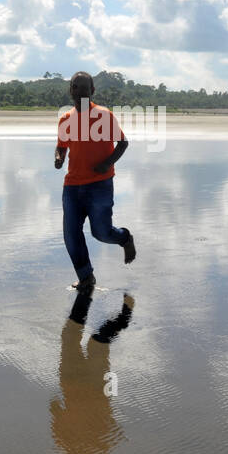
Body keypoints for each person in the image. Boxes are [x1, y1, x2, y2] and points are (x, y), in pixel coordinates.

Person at [54, 72, 136, 293]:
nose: (80, 91)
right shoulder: (65, 119)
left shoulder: (104, 116)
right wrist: (59, 157)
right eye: (76, 87)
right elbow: (62, 145)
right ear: (70, 90)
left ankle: (125, 238)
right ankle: (86, 277)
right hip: (72, 185)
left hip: (100, 184)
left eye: (84, 87)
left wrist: (106, 164)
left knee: (101, 233)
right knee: (71, 233)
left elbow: (123, 143)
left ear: (92, 91)